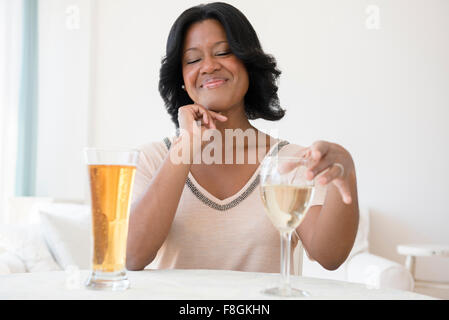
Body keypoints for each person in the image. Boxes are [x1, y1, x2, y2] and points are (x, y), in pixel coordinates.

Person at [126, 2, 359, 273]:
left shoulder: (291, 163)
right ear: (181, 77)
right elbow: (133, 256)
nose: (209, 66)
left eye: (223, 52)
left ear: (248, 63)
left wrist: (347, 172)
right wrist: (186, 146)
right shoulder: (151, 159)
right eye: (193, 59)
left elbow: (329, 255)